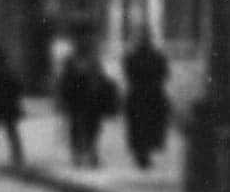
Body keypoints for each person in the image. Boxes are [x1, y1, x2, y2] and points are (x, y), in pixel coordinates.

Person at [55, 39, 117, 168]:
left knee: (91, 128)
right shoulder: (72, 61)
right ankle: (79, 154)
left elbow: (100, 78)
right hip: (77, 100)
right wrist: (63, 99)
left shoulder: (90, 61)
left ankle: (89, 153)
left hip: (90, 100)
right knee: (78, 128)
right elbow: (65, 81)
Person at [122, 30, 171, 171]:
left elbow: (163, 73)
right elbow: (163, 73)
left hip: (145, 95)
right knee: (142, 127)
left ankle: (143, 153)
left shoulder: (139, 57)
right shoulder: (150, 57)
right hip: (146, 95)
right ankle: (143, 154)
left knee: (145, 127)